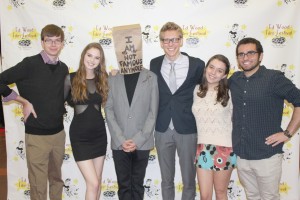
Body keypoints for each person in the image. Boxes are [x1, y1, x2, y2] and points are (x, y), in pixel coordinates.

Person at [0, 24, 68, 200]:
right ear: (42, 42)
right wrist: (22, 101)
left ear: (62, 44)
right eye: (49, 41)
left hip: (59, 135)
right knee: (38, 186)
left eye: (57, 41)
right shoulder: (29, 64)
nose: (53, 45)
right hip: (37, 137)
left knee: (56, 180)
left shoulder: (64, 69)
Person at [229, 37, 300, 199]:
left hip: (267, 155)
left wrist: (287, 133)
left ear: (260, 56)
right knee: (252, 196)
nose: (245, 58)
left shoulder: (274, 78)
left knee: (270, 197)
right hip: (242, 154)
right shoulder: (234, 80)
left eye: (250, 53)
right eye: (241, 54)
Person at [150, 21, 205, 200]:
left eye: (174, 40)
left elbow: (207, 91)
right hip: (162, 128)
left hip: (187, 128)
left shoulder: (197, 65)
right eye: (166, 40)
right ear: (161, 43)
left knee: (189, 180)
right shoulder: (154, 64)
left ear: (181, 41)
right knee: (166, 180)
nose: (170, 44)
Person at [105, 67, 159, 200]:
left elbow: (153, 112)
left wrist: (138, 139)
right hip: (119, 143)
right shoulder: (112, 78)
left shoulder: (151, 77)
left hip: (142, 143)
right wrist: (120, 139)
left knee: (137, 186)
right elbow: (108, 109)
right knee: (123, 187)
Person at [64, 42, 109, 200]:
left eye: (97, 57)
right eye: (89, 55)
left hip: (99, 135)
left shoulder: (103, 79)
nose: (92, 60)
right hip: (80, 137)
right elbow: (57, 103)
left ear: (100, 61)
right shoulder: (70, 78)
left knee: (97, 184)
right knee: (93, 184)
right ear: (83, 55)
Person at [192, 54, 237, 200]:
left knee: (220, 192)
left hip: (224, 148)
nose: (213, 72)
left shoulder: (229, 93)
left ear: (224, 75)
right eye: (211, 67)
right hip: (202, 148)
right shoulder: (196, 90)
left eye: (219, 70)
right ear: (206, 68)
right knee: (205, 196)